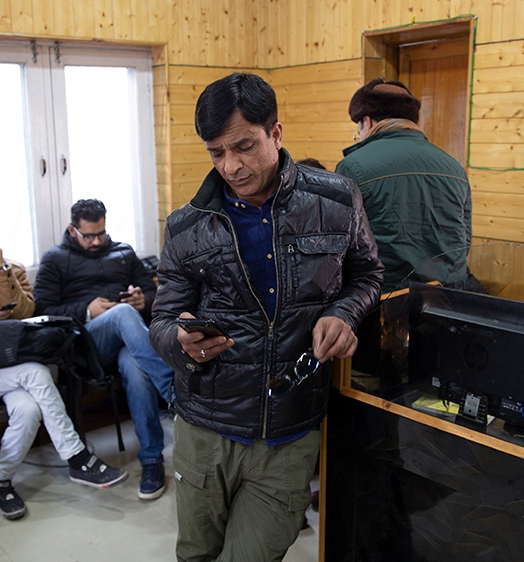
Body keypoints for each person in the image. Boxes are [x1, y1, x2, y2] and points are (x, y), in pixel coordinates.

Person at [148, 72, 383, 561]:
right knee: (196, 555)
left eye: (244, 146)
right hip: (206, 428)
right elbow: (162, 320)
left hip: (290, 431)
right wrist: (180, 341)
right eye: (216, 153)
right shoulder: (186, 226)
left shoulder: (336, 200)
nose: (231, 166)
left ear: (275, 133)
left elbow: (367, 274)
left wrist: (344, 313)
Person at [0, 197, 127, 521]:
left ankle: (0, 481)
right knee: (35, 372)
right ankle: (77, 458)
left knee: (28, 410)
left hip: (11, 363)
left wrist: (0, 271)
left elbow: (29, 312)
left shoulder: (11, 269)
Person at [33, 198, 175, 501]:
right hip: (86, 345)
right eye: (89, 236)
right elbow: (42, 310)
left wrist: (144, 301)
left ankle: (152, 460)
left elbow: (154, 292)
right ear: (72, 230)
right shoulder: (54, 259)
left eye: (101, 233)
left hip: (129, 344)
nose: (96, 241)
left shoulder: (123, 252)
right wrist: (86, 310)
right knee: (123, 314)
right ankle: (174, 391)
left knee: (136, 368)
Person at [335, 78, 472, 293]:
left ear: (366, 121)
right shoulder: (455, 168)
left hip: (383, 301)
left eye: (357, 130)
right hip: (446, 299)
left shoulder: (353, 166)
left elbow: (340, 247)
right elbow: (464, 240)